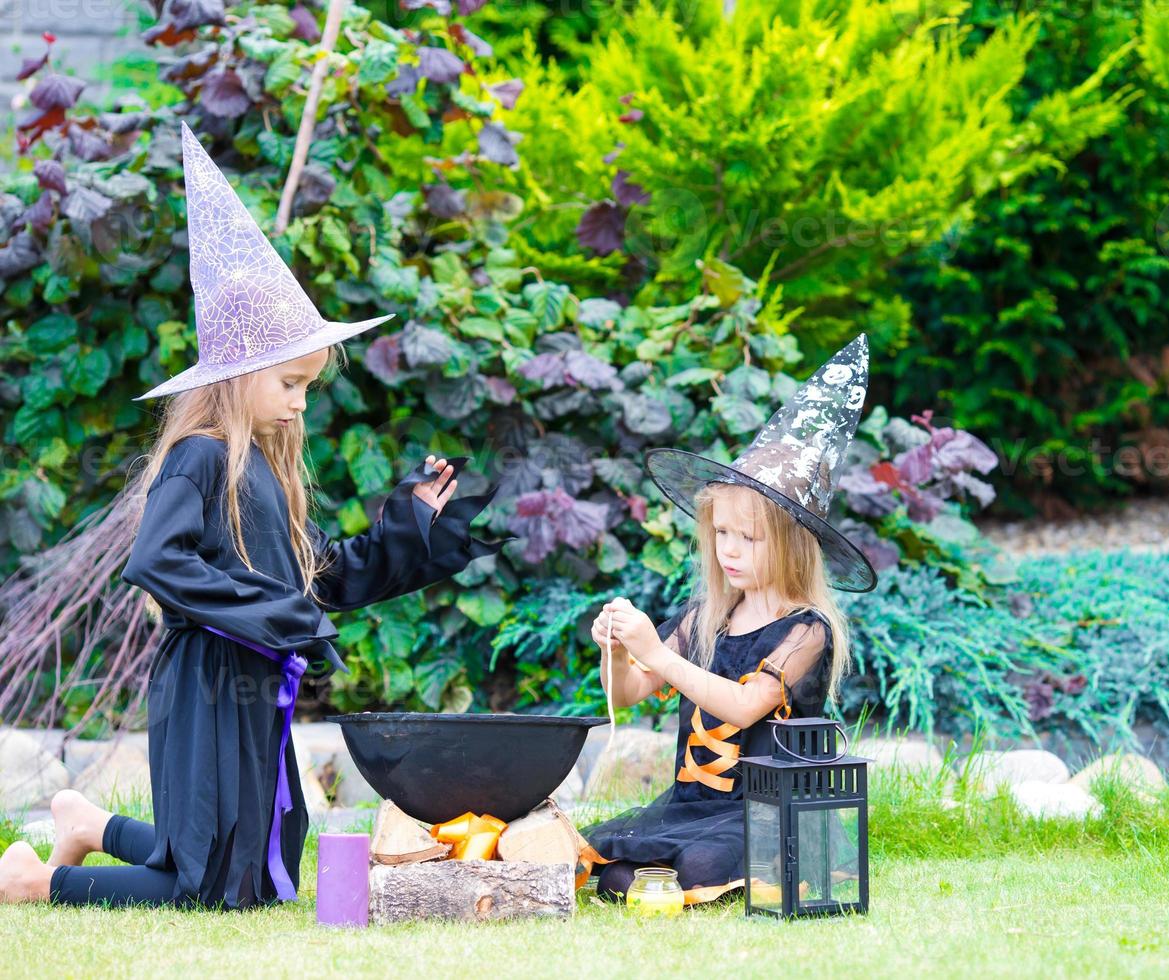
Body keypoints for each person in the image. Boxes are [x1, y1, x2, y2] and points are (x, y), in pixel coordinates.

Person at [0, 122, 508, 909]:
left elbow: (315, 581)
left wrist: (413, 526)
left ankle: (86, 819)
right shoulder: (198, 456)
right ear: (237, 377)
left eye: (309, 384)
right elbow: (160, 564)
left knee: (255, 868)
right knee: (209, 884)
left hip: (253, 678)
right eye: (290, 384)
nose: (301, 403)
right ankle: (40, 880)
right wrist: (277, 616)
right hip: (205, 680)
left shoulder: (270, 469)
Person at [583, 334, 875, 905]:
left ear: (793, 548)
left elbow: (743, 707)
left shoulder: (806, 630)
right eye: (721, 533)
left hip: (766, 809)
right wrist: (619, 648)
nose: (730, 551)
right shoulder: (707, 618)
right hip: (692, 804)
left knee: (693, 865)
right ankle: (674, 873)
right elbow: (631, 691)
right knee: (613, 863)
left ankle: (730, 872)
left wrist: (661, 653)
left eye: (749, 537)